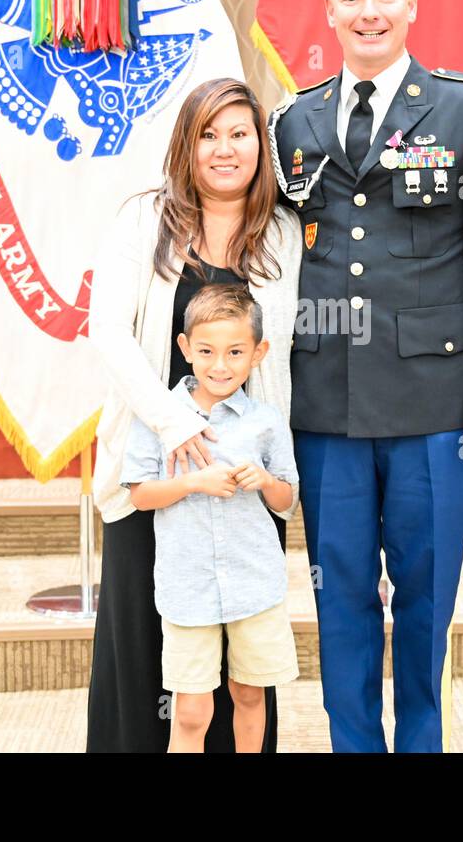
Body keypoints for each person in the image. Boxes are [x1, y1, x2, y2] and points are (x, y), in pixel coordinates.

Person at [268, 0, 463, 752]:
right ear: (330, 12)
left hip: (435, 403)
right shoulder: (294, 120)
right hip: (325, 403)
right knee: (340, 598)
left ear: (412, 5)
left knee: (425, 603)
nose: (370, 12)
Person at [86, 78, 304, 752]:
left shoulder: (282, 229)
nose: (224, 148)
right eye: (209, 133)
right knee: (152, 653)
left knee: (242, 670)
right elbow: (108, 333)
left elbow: (278, 353)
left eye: (240, 133)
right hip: (157, 466)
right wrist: (175, 425)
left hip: (241, 476)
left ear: (259, 146)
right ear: (187, 143)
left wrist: (266, 465)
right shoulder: (143, 219)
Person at [121, 284, 301, 752]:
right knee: (192, 709)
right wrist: (192, 484)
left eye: (235, 352)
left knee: (249, 693)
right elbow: (140, 495)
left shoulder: (265, 420)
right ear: (185, 349)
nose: (220, 366)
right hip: (188, 587)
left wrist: (262, 479)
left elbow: (287, 501)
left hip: (253, 583)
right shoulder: (158, 417)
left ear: (258, 353)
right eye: (206, 351)